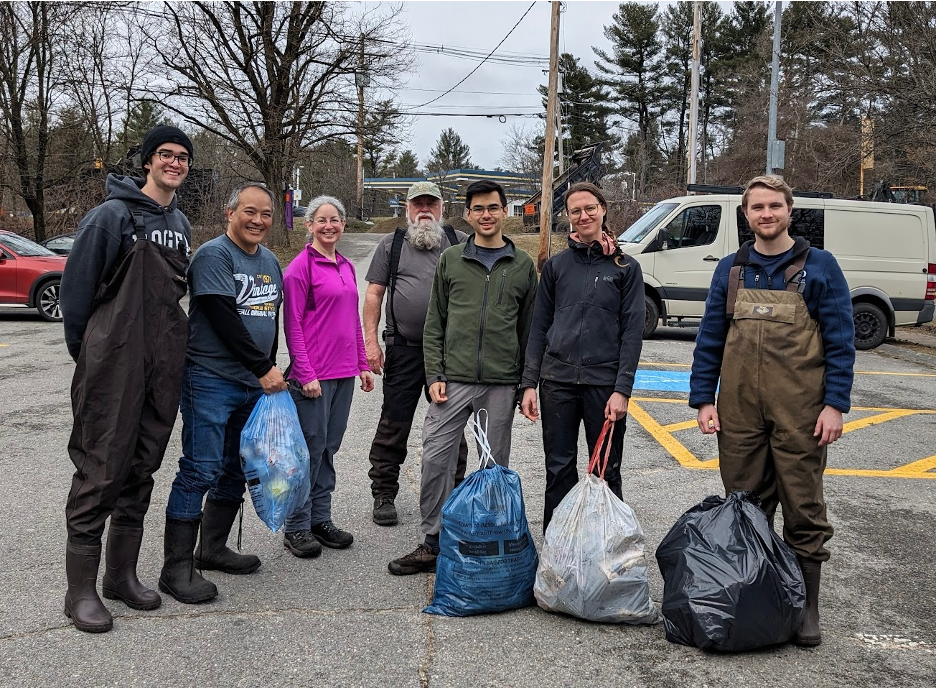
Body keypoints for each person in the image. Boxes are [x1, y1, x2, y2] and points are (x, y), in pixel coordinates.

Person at [689, 174, 856, 647]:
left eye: (774, 207)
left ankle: (807, 609)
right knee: (744, 504)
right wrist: (704, 398)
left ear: (789, 210)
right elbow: (711, 339)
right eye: (757, 207)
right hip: (739, 411)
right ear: (746, 215)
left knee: (803, 505)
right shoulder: (731, 269)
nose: (766, 214)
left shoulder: (820, 266)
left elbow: (842, 343)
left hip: (801, 410)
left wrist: (835, 406)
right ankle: (757, 599)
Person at [59, 125, 194, 633]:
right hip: (112, 362)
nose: (174, 163)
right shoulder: (110, 216)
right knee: (101, 468)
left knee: (142, 466)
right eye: (165, 154)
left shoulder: (179, 222)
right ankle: (79, 593)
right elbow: (76, 296)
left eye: (181, 157)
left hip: (161, 361)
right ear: (147, 162)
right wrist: (94, 354)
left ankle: (121, 577)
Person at [388, 179, 538, 575]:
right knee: (436, 459)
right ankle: (433, 541)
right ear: (467, 214)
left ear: (505, 211)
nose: (486, 215)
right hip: (452, 380)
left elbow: (528, 331)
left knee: (493, 467)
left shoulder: (521, 265)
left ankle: (486, 539)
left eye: (493, 207)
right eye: (478, 209)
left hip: (501, 383)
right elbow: (435, 321)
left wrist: (526, 384)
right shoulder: (451, 259)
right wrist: (434, 372)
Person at [159, 181, 288, 605]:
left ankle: (211, 549)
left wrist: (265, 370)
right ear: (229, 214)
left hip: (251, 384)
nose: (258, 220)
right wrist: (264, 368)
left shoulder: (269, 260)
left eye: (266, 213)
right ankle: (175, 569)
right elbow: (221, 317)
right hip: (210, 378)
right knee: (201, 468)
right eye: (249, 211)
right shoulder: (214, 255)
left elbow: (268, 320)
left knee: (237, 467)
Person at [519, 182, 645, 531]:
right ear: (568, 217)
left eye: (590, 208)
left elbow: (633, 334)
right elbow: (539, 327)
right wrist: (529, 383)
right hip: (557, 383)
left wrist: (623, 390)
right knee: (558, 470)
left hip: (604, 385)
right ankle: (557, 555)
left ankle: (607, 554)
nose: (583, 215)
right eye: (575, 211)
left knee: (606, 470)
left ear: (603, 209)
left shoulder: (625, 268)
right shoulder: (556, 267)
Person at [363, 181, 469, 527]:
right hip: (404, 350)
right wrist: (370, 343)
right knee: (393, 424)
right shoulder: (391, 245)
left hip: (449, 354)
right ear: (407, 209)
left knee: (453, 425)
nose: (425, 210)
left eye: (431, 204)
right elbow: (375, 295)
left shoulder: (459, 243)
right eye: (418, 204)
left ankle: (454, 492)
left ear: (442, 209)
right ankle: (384, 493)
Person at [280, 196, 374, 557]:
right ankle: (297, 526)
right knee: (308, 450)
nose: (329, 226)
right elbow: (294, 326)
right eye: (321, 220)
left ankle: (321, 518)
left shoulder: (347, 266)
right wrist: (305, 372)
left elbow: (351, 319)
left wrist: (362, 363)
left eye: (335, 220)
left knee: (328, 448)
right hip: (313, 377)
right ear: (309, 225)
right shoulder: (300, 268)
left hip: (344, 372)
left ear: (343, 224)